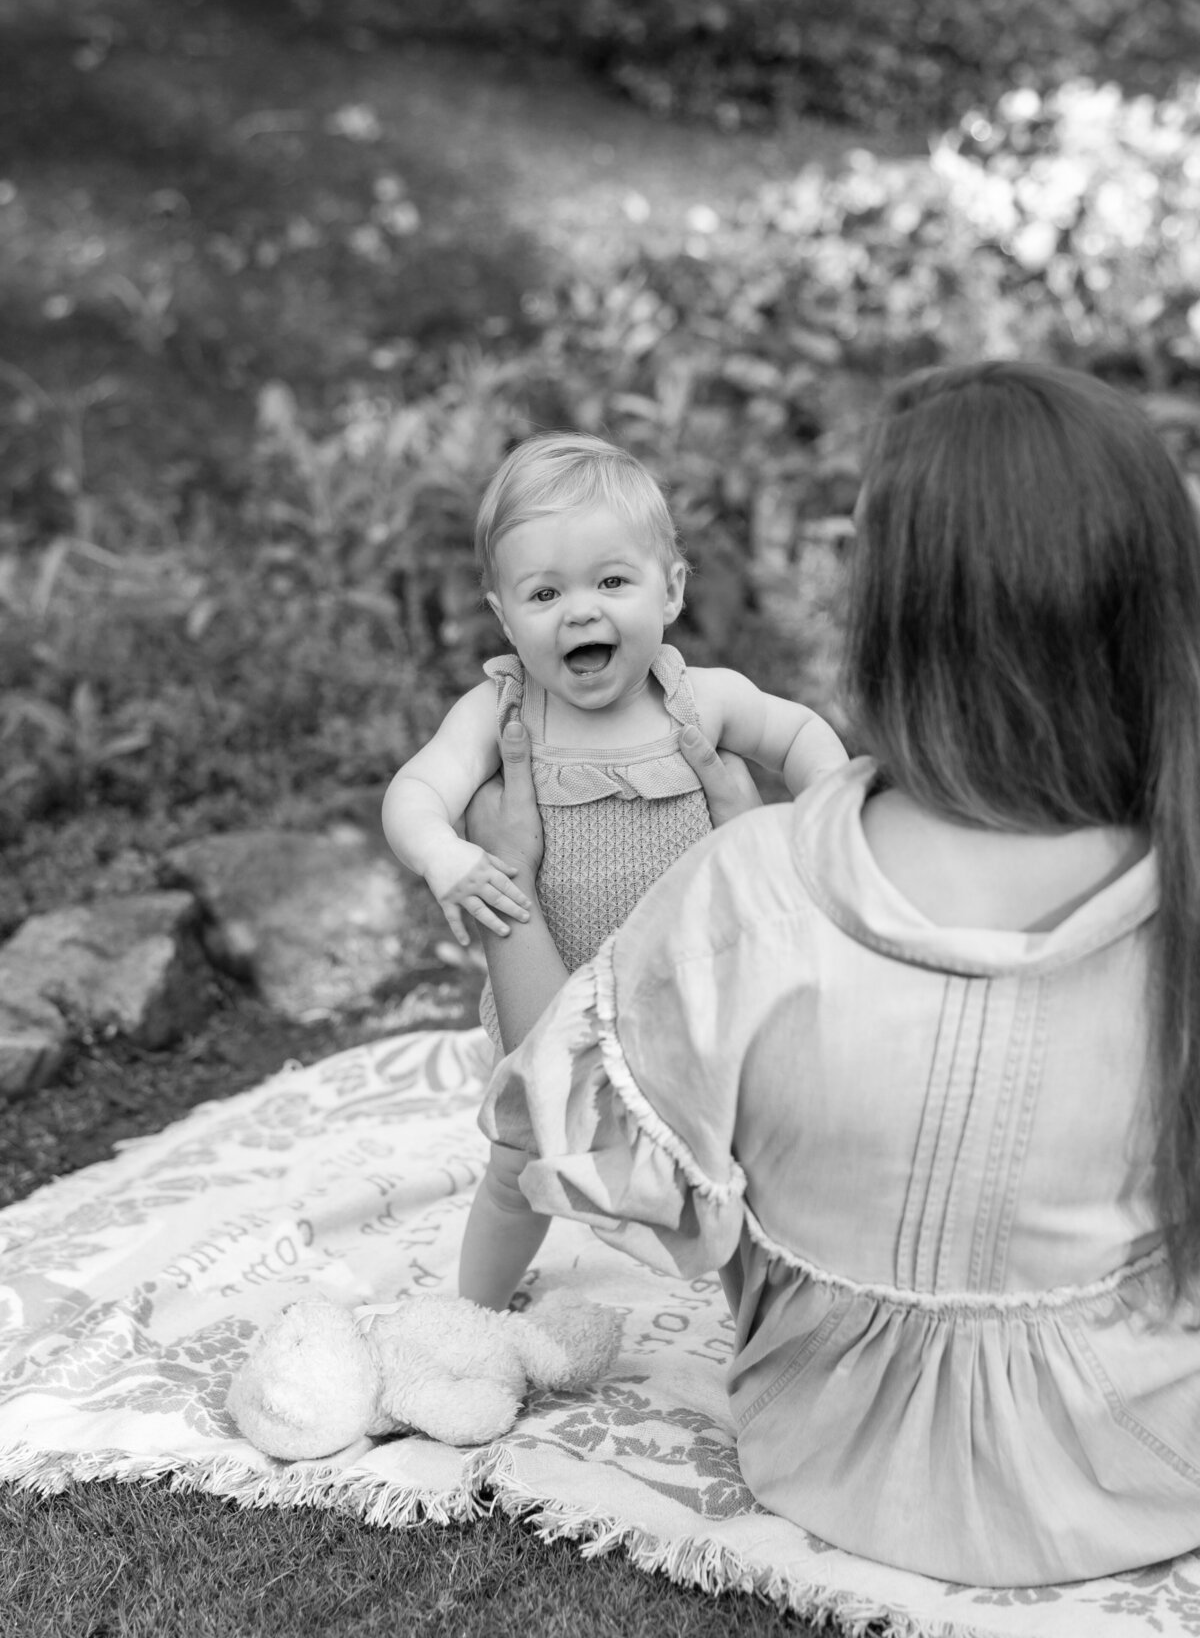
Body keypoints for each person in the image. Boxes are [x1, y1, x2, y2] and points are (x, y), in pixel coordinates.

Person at [468, 361, 1200, 1588]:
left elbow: (559, 1116)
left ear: (894, 615)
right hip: (1153, 1458)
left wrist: (510, 892)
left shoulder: (754, 889)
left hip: (837, 1456)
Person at [382, 434, 848, 1309]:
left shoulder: (699, 697)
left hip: (695, 997)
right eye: (545, 593)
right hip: (555, 999)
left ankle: (766, 1316)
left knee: (739, 1157)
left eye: (612, 582)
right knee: (521, 1161)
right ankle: (471, 1313)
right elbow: (415, 791)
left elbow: (800, 735)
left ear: (670, 589)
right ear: (504, 615)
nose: (580, 612)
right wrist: (444, 854)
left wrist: (821, 820)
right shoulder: (501, 708)